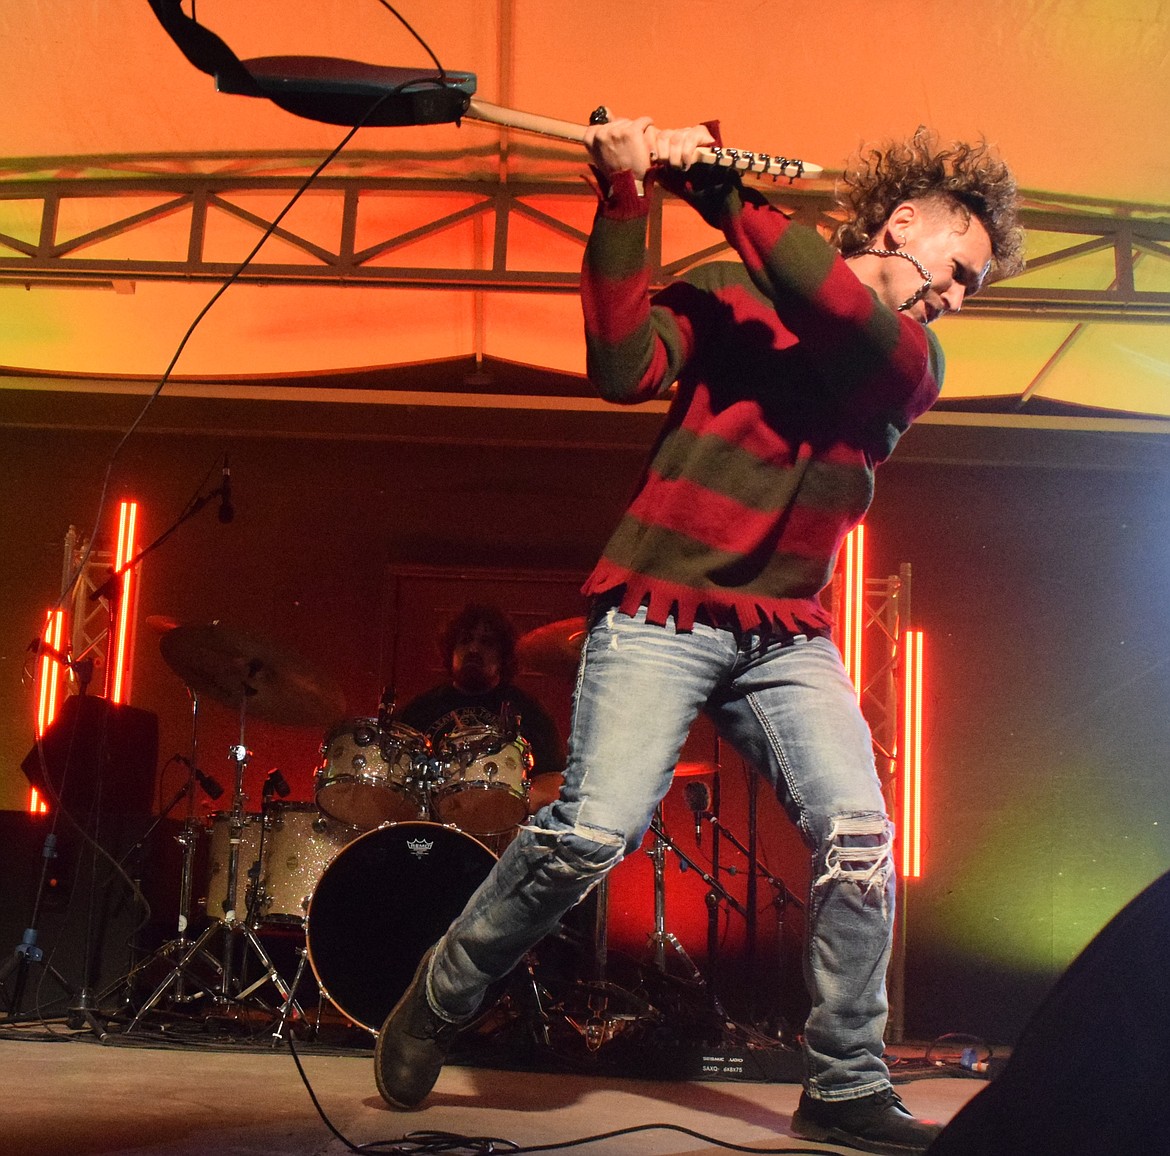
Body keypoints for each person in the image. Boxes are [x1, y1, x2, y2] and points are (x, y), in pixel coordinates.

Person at [375, 119, 1023, 1156]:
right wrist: (629, 199)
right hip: (661, 608)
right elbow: (621, 362)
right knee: (591, 830)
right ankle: (445, 988)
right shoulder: (734, 283)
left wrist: (721, 185)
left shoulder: (907, 355)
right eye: (955, 270)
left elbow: (838, 311)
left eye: (969, 291)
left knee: (860, 837)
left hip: (784, 636)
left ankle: (846, 1083)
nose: (954, 298)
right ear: (903, 223)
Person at [398, 601, 565, 795]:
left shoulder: (529, 712)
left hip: (503, 819)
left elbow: (552, 781)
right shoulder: (419, 711)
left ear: (503, 656)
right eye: (465, 641)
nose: (474, 649)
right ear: (450, 651)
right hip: (432, 821)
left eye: (487, 642)